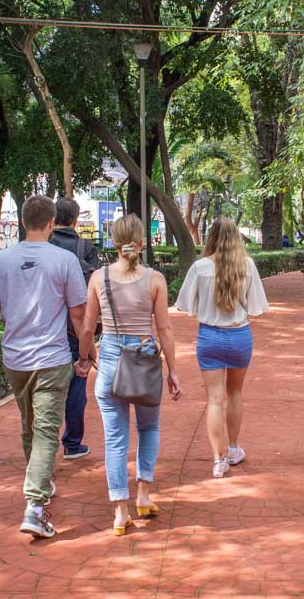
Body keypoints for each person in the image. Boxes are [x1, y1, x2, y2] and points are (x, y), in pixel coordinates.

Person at [0, 196, 91, 539]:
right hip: (52, 359)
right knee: (45, 432)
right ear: (52, 222)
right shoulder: (64, 260)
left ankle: (41, 484)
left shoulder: (1, 260)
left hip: (15, 360)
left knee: (31, 428)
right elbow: (78, 315)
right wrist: (86, 354)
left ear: (24, 222)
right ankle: (35, 507)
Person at [79, 214, 182, 535]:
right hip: (144, 358)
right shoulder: (155, 279)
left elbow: (87, 326)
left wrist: (86, 357)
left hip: (109, 358)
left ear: (113, 241)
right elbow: (164, 328)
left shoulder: (98, 278)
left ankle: (120, 513)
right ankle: (143, 494)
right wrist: (173, 370)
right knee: (149, 429)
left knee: (115, 439)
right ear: (142, 242)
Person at [176, 217, 269, 478]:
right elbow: (256, 307)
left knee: (214, 399)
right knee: (235, 393)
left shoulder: (200, 267)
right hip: (240, 336)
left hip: (209, 338)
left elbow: (185, 305)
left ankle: (219, 460)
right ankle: (234, 447)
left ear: (211, 237)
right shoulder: (247, 265)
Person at [49, 197, 101, 461]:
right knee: (76, 386)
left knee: (44, 391)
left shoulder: (43, 246)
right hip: (75, 330)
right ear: (75, 219)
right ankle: (72, 443)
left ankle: (42, 445)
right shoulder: (84, 247)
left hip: (45, 329)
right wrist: (90, 345)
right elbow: (96, 287)